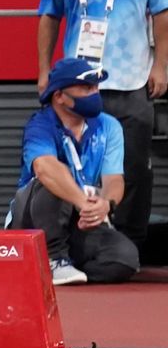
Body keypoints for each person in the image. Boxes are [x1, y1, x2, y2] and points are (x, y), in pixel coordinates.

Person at [36, 0, 166, 250]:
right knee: (72, 164)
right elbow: (49, 16)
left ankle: (131, 244)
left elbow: (161, 15)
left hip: (131, 82)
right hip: (76, 87)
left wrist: (160, 67)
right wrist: (45, 70)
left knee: (134, 167)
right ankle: (75, 243)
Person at [12, 58, 140, 284]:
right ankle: (52, 259)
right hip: (35, 218)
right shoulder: (40, 125)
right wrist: (83, 202)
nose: (95, 94)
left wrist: (105, 205)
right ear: (59, 96)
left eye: (95, 88)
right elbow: (44, 168)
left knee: (124, 259)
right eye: (86, 88)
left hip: (80, 219)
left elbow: (114, 179)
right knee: (53, 177)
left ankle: (60, 268)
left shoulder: (109, 126)